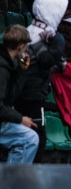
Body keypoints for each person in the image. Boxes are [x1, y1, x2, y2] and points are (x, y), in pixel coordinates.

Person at [0, 26, 39, 163]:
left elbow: (9, 99)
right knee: (30, 138)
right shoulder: (2, 69)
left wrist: (23, 71)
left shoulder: (7, 64)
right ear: (21, 46)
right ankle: (13, 182)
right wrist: (20, 119)